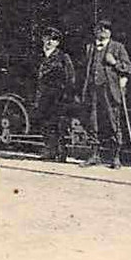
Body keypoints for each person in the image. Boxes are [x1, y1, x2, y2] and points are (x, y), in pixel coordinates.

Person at [78, 19, 131, 168]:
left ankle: (116, 158)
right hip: (92, 90)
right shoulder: (89, 48)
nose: (103, 31)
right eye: (99, 28)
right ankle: (94, 155)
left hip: (110, 91)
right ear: (94, 31)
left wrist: (115, 63)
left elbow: (129, 68)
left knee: (113, 122)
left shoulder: (117, 47)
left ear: (110, 32)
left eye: (106, 28)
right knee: (93, 122)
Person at [34, 26, 75, 162]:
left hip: (58, 97)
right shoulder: (38, 57)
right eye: (47, 38)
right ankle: (49, 151)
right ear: (43, 39)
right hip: (42, 96)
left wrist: (66, 95)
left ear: (58, 43)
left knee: (59, 125)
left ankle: (61, 153)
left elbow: (70, 78)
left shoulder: (63, 57)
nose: (50, 41)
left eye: (54, 39)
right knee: (46, 124)